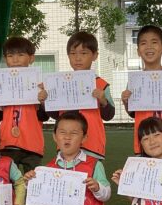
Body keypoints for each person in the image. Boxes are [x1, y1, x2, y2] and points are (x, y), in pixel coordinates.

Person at [21, 112, 112, 205]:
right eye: (62, 132)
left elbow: (107, 194)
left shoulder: (94, 164)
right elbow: (38, 198)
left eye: (74, 133)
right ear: (55, 136)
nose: (67, 137)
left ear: (84, 138)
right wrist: (29, 183)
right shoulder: (48, 169)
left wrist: (97, 188)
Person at [0, 36, 49, 205]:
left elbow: (44, 116)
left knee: (34, 182)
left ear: (32, 58)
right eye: (10, 56)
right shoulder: (1, 83)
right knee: (5, 182)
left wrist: (44, 101)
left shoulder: (39, 85)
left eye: (21, 54)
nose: (16, 60)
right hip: (7, 141)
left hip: (32, 143)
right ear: (5, 59)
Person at [121, 25, 162, 157]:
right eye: (143, 43)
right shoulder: (135, 80)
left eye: (154, 42)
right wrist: (126, 102)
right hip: (146, 143)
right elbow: (133, 113)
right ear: (138, 51)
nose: (149, 47)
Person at [48, 31, 115, 159]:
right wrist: (46, 102)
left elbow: (109, 115)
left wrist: (103, 101)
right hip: (66, 145)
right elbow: (56, 115)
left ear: (95, 55)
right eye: (73, 54)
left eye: (84, 53)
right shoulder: (60, 83)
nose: (77, 58)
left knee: (92, 178)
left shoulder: (101, 84)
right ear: (68, 56)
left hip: (92, 146)